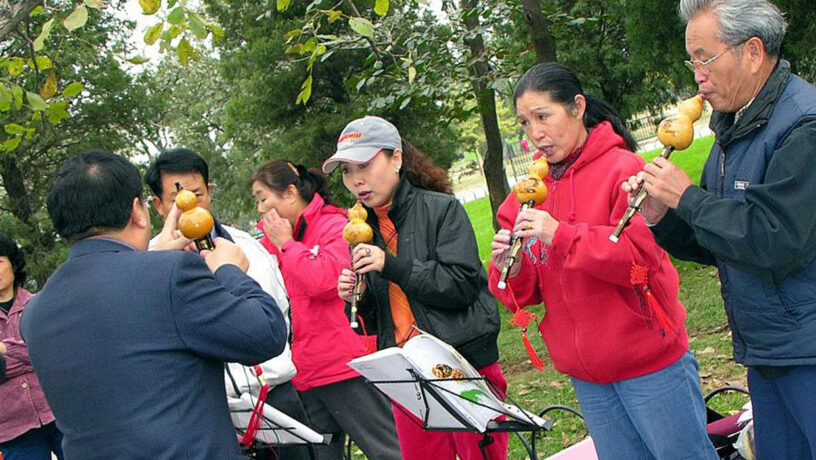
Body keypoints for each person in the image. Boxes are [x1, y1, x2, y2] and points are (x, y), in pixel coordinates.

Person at [488, 63, 717, 460]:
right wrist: (512, 264)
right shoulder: (529, 194)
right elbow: (520, 295)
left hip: (650, 365)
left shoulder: (623, 169)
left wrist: (559, 234)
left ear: (577, 107)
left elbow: (637, 266)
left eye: (543, 117)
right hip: (588, 376)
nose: (534, 134)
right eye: (525, 123)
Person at [622, 1, 816, 458]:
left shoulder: (803, 126)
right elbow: (723, 242)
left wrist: (688, 196)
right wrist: (660, 214)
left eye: (705, 58)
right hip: (769, 350)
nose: (697, 75)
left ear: (752, 52)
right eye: (692, 61)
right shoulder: (734, 126)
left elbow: (775, 239)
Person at [20, 150, 287, 459]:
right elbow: (265, 332)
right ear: (138, 210)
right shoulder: (169, 274)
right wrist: (229, 271)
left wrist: (155, 259)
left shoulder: (34, 313)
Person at [329, 116, 506, 460]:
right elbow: (376, 315)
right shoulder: (360, 228)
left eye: (364, 164)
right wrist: (357, 296)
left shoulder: (442, 209)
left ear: (395, 158)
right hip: (404, 373)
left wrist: (389, 264)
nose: (356, 180)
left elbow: (461, 287)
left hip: (461, 364)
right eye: (347, 171)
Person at [145, 148, 311, 460]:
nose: (190, 204)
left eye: (197, 193)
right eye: (177, 199)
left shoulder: (245, 245)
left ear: (209, 190)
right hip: (209, 411)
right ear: (158, 205)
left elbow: (279, 312)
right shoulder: (152, 262)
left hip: (275, 395)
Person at [250, 159, 402, 460]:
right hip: (303, 371)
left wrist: (287, 245)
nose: (260, 209)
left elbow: (323, 281)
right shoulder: (269, 245)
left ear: (290, 193)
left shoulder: (335, 225)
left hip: (342, 364)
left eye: (263, 198)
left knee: (387, 450)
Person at [0, 233, 64, 460]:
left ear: (12, 263)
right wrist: (29, 355)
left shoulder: (38, 304)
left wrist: (5, 350)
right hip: (12, 430)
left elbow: (51, 352)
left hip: (59, 413)